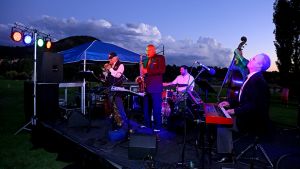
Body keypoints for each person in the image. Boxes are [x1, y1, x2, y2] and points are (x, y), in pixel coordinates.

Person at [216, 53, 271, 163]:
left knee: (222, 122)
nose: (251, 59)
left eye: (254, 59)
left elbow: (253, 105)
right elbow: (242, 99)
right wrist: (229, 102)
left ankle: (228, 155)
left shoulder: (258, 81)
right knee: (220, 117)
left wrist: (235, 111)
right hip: (247, 115)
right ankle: (224, 149)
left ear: (260, 66)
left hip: (252, 121)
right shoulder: (251, 78)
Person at [141, 44, 166, 132]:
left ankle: (157, 126)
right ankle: (147, 124)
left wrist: (148, 71)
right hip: (147, 88)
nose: (147, 52)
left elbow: (162, 70)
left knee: (156, 109)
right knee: (146, 108)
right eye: (146, 50)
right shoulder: (146, 60)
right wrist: (141, 77)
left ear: (154, 50)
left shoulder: (160, 57)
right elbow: (144, 73)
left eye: (149, 50)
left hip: (155, 88)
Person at [104, 52, 127, 131]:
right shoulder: (111, 66)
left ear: (115, 58)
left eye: (110, 58)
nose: (109, 60)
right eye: (109, 58)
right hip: (110, 90)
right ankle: (116, 125)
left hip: (118, 90)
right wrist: (106, 72)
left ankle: (125, 126)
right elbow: (107, 78)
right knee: (112, 109)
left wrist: (110, 69)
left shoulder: (121, 65)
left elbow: (118, 75)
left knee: (120, 108)